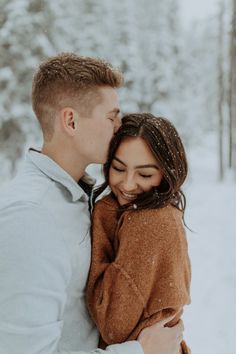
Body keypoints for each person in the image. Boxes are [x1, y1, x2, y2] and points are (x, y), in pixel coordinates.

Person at [0, 54, 183, 354]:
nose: (119, 125)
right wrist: (141, 351)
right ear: (71, 121)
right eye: (111, 116)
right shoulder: (29, 216)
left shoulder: (81, 199)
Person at [86, 113, 191, 353]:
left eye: (144, 174)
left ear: (166, 174)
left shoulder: (150, 222)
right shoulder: (127, 213)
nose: (128, 184)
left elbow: (114, 325)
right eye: (118, 168)